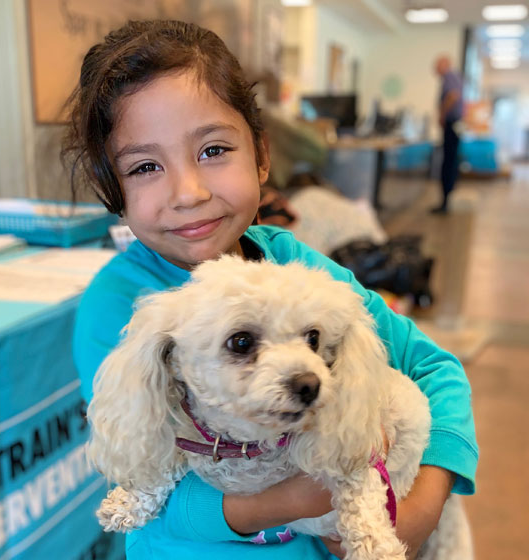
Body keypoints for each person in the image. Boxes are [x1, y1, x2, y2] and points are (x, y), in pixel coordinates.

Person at [63, 20, 478, 560]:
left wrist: (424, 505)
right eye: (145, 166)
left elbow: (435, 368)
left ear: (260, 156)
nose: (188, 192)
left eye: (212, 150)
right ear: (111, 189)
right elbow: (155, 495)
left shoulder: (290, 263)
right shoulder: (117, 308)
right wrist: (304, 497)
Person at [432, 55, 464, 214]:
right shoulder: (455, 77)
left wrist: (442, 114)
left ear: (445, 64)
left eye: (436, 64)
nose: (434, 68)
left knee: (448, 163)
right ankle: (447, 200)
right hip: (454, 125)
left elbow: (453, 95)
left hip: (451, 124)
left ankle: (445, 202)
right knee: (451, 162)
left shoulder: (450, 76)